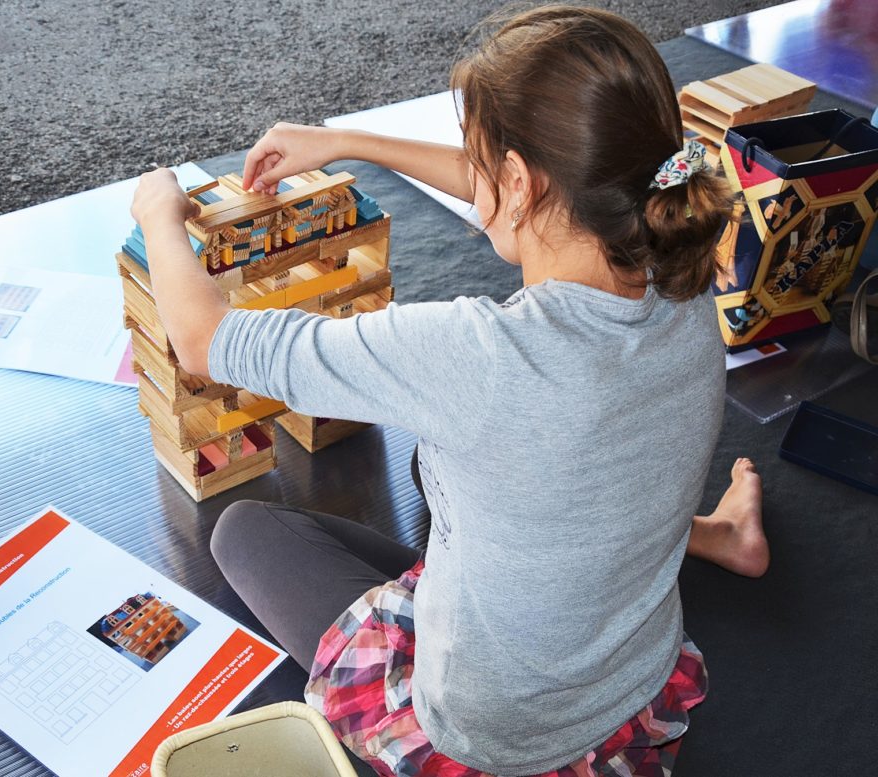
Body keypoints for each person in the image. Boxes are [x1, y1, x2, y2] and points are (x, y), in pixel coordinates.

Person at [129, 6, 769, 775]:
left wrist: (159, 213)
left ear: (519, 182)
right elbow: (525, 188)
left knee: (244, 534)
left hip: (493, 730)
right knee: (451, 467)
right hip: (631, 676)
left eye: (482, 159)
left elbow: (205, 339)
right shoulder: (680, 274)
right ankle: (714, 535)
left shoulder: (477, 356)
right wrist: (347, 142)